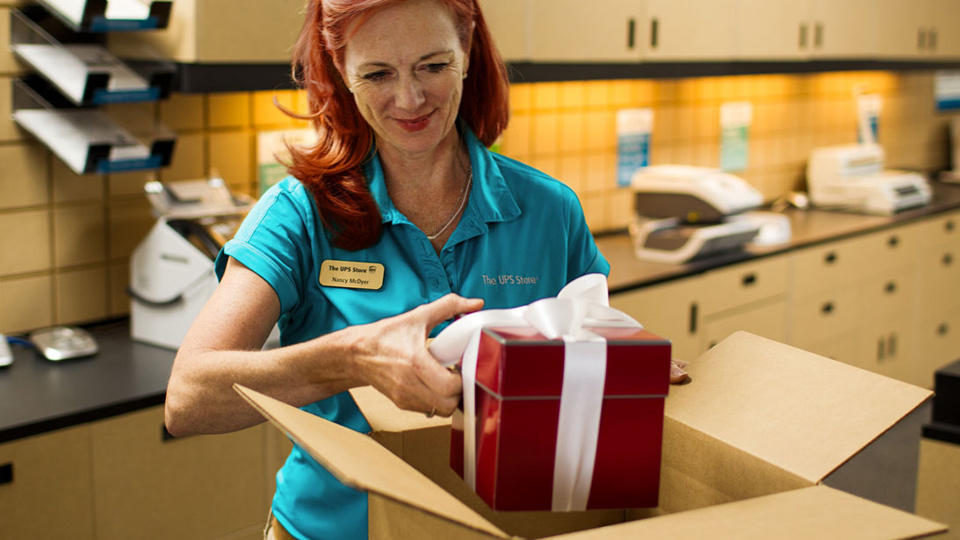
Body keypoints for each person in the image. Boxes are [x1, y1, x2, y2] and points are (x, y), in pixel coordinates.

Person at [165, 0, 671, 538]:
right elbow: (189, 399)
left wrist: (628, 369)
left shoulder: (551, 211)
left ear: (467, 46)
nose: (409, 99)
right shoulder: (298, 215)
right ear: (341, 69)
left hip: (506, 526)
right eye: (378, 73)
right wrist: (355, 359)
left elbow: (589, 370)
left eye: (433, 66)